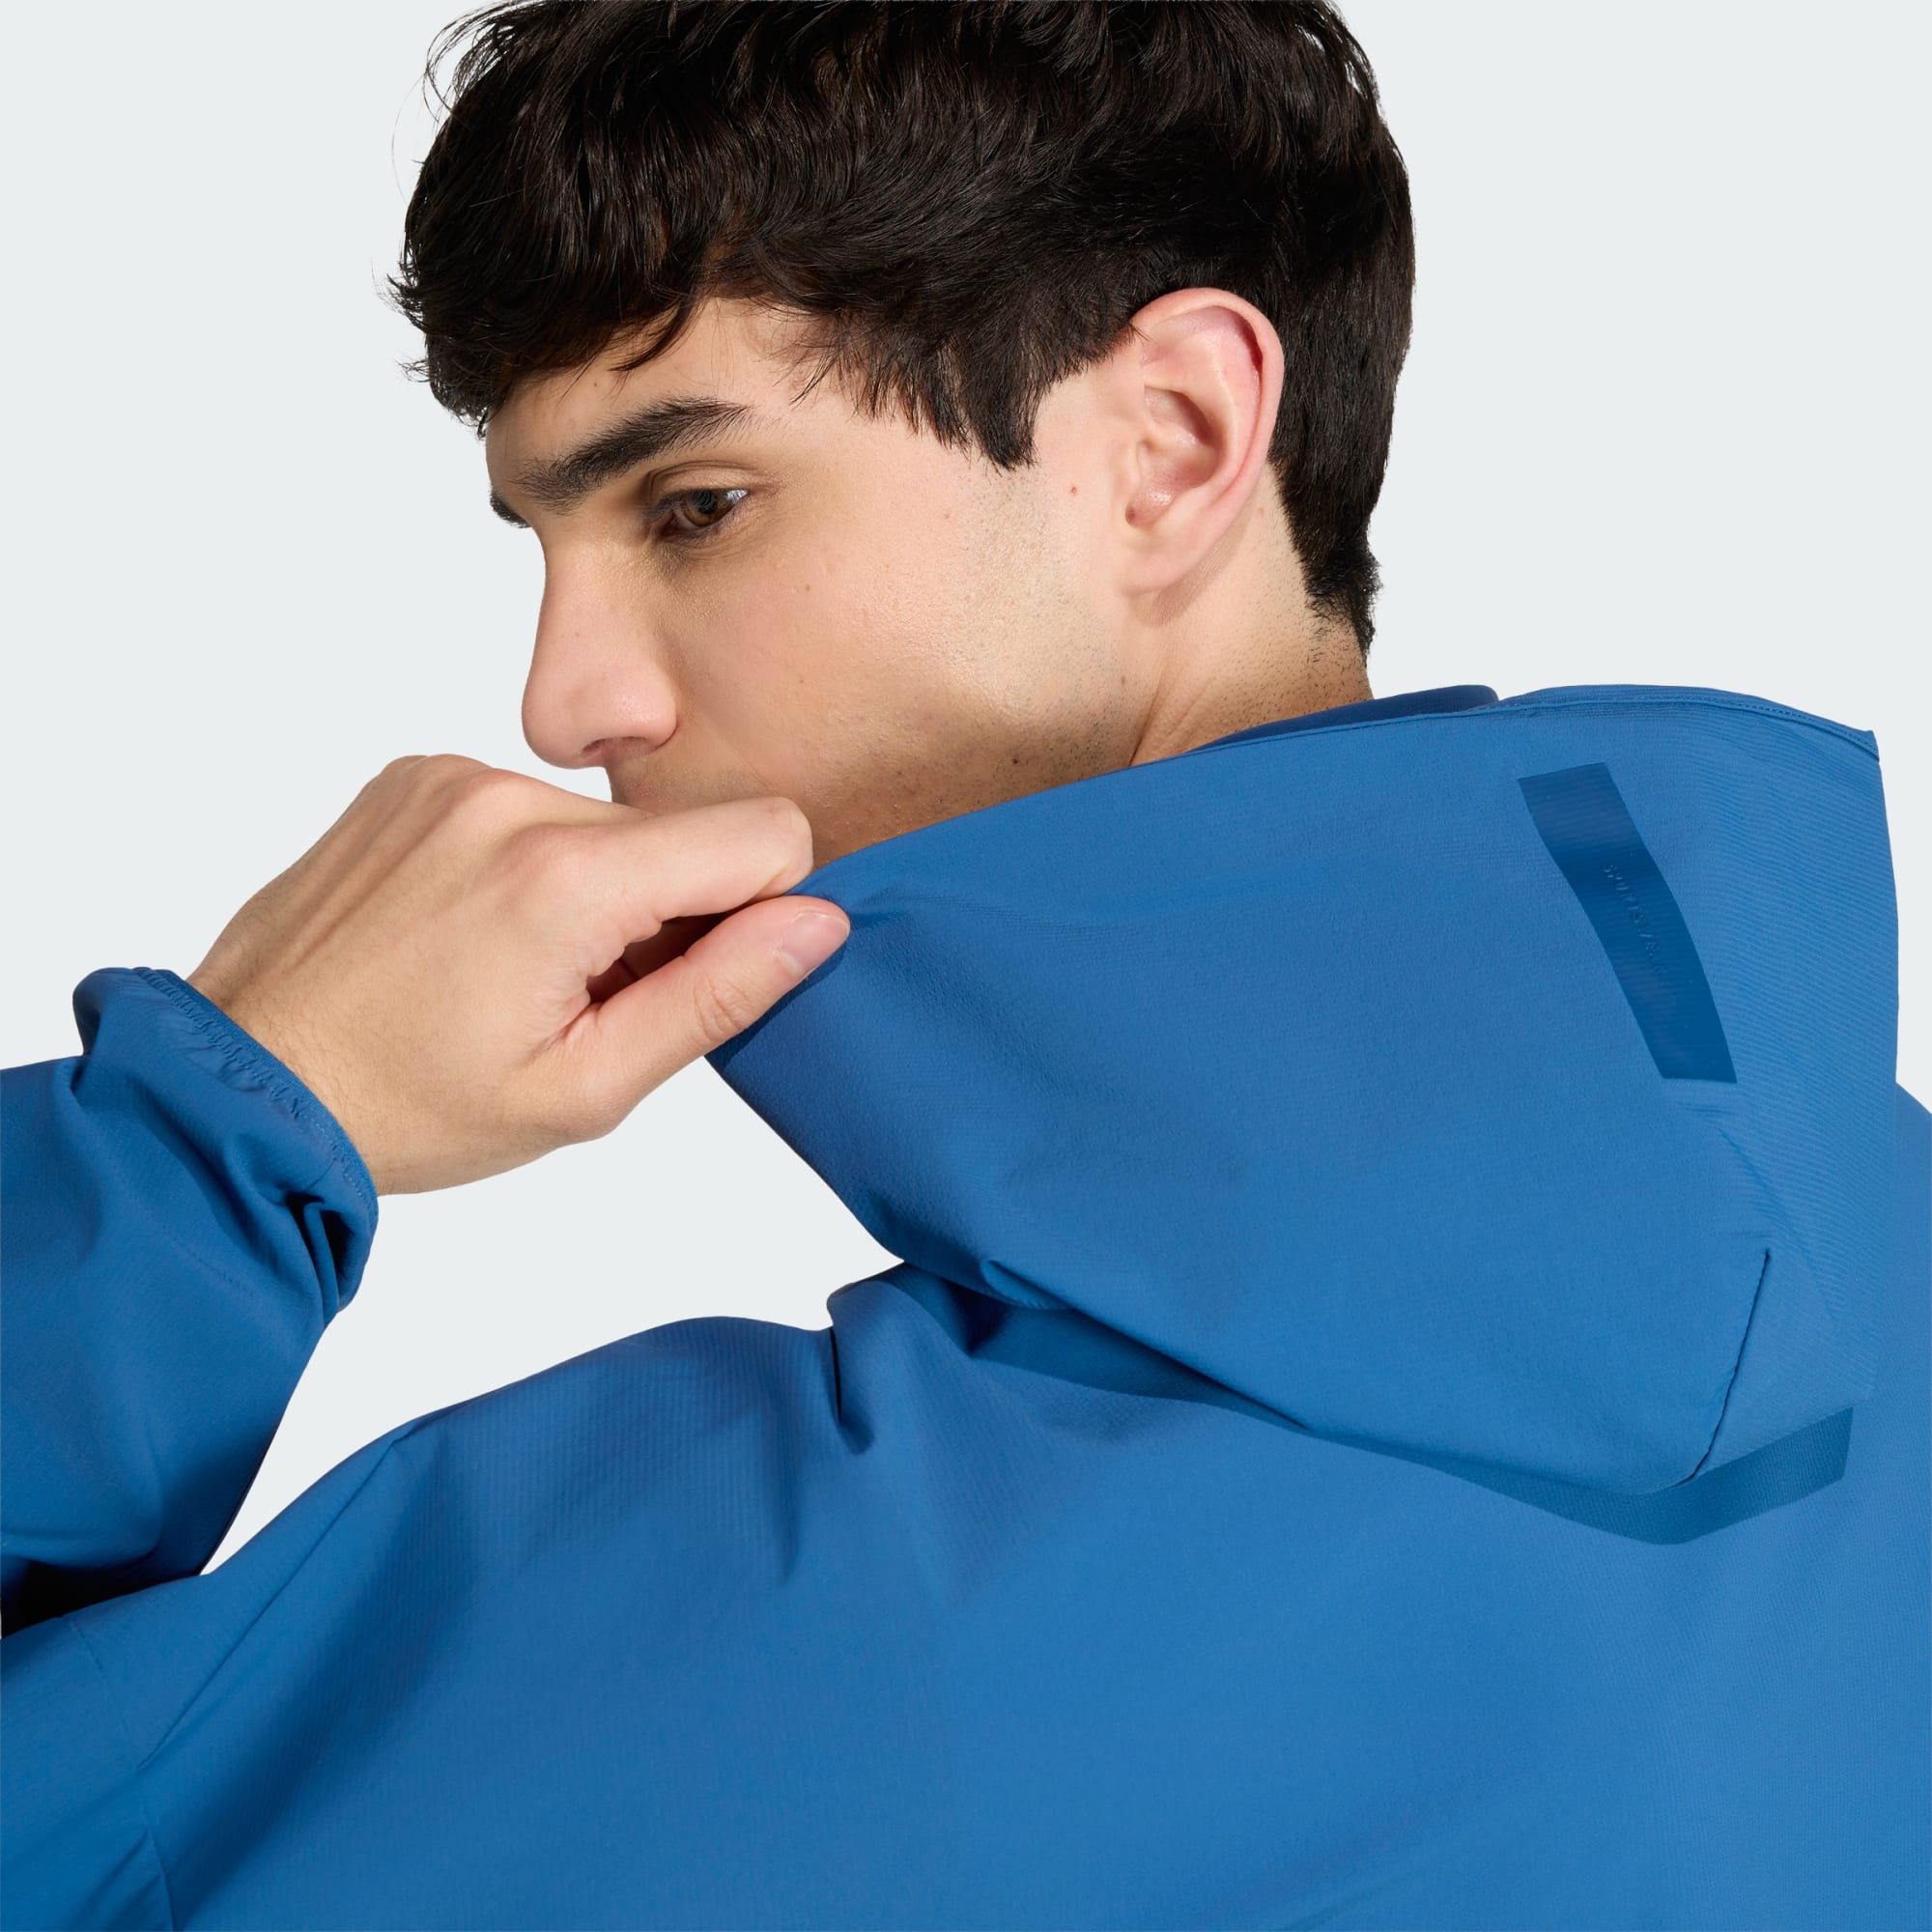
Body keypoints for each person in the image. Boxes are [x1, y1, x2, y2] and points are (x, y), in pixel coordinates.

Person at [3, 1, 1924, 1925]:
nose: (563, 698)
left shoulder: (768, 1628)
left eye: (693, 508)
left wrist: (207, 1139)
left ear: (1169, 443)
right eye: (544, 543)